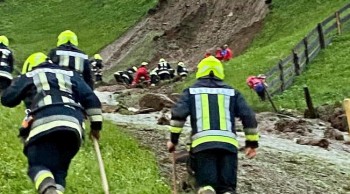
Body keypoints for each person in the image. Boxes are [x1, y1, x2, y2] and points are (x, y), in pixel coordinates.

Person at [1, 52, 103, 194]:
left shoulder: (30, 75)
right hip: (73, 127)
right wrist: (96, 128)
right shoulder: (72, 76)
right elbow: (92, 100)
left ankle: (49, 189)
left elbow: (7, 99)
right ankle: (55, 190)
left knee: (37, 165)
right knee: (59, 171)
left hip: (44, 123)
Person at [166, 56, 259, 194]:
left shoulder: (191, 92)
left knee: (206, 184)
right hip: (228, 146)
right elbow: (249, 116)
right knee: (227, 188)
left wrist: (173, 141)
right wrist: (252, 143)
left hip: (203, 146)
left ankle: (206, 189)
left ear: (200, 71)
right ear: (220, 71)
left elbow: (178, 116)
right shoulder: (233, 93)